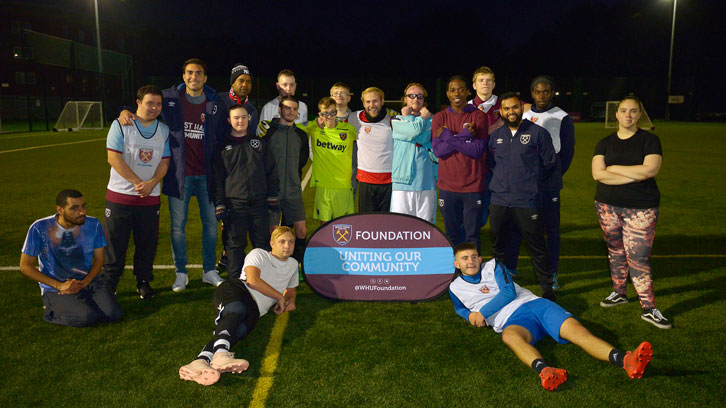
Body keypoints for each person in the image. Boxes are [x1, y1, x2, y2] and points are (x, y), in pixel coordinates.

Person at [448, 243, 654, 391]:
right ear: (457, 264)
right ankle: (546, 371)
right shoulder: (455, 288)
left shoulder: (493, 266)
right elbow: (460, 308)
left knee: (578, 332)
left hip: (536, 305)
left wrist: (482, 313)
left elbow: (508, 293)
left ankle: (626, 360)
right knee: (509, 337)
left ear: (480, 258)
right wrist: (469, 317)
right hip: (511, 322)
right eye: (465, 258)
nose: (471, 261)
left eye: (474, 256)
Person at [119, 58, 225, 292]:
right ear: (183, 75)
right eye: (189, 73)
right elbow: (144, 104)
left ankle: (209, 271)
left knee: (209, 225)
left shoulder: (215, 102)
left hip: (207, 176)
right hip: (180, 176)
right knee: (178, 226)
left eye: (198, 73)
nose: (193, 77)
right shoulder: (169, 98)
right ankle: (181, 273)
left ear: (205, 78)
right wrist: (124, 111)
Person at [179, 226, 299, 386]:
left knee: (238, 331)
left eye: (291, 242)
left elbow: (291, 291)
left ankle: (200, 361)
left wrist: (289, 301)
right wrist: (279, 297)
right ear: (272, 243)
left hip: (256, 310)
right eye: (282, 241)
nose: (287, 245)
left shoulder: (292, 265)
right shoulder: (259, 254)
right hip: (238, 290)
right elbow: (252, 280)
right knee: (237, 310)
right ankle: (221, 355)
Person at [591, 96, 670, 329]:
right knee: (615, 250)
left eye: (633, 111)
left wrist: (613, 169)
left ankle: (649, 308)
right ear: (616, 114)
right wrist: (633, 173)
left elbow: (650, 170)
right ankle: (619, 292)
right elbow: (598, 174)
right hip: (607, 205)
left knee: (638, 257)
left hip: (641, 208)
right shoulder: (604, 143)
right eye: (624, 111)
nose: (628, 115)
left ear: (639, 115)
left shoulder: (650, 141)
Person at [506, 76, 576, 289]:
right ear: (532, 94)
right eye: (538, 92)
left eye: (546, 91)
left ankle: (551, 272)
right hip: (524, 185)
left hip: (549, 183)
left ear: (552, 92)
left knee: (551, 229)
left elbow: (567, 151)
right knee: (518, 226)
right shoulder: (523, 115)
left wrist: (552, 174)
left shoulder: (562, 116)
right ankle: (510, 269)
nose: (542, 95)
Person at [103, 85, 171, 299]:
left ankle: (143, 282)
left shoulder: (164, 130)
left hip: (149, 199)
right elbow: (113, 158)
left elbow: (165, 161)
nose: (154, 108)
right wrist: (138, 182)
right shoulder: (121, 125)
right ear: (138, 103)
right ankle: (109, 283)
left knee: (147, 244)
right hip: (120, 196)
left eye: (158, 104)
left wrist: (151, 183)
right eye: (150, 103)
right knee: (115, 243)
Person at [487, 92, 557, 300]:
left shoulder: (538, 133)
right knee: (498, 247)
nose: (511, 112)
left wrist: (530, 182)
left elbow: (549, 163)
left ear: (522, 108)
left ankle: (547, 288)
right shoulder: (496, 136)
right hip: (499, 200)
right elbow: (491, 164)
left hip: (526, 201)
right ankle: (502, 285)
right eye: (506, 108)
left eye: (514, 107)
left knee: (537, 246)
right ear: (501, 111)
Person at [20, 190, 122, 327]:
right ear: (60, 210)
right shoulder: (40, 228)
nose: (82, 212)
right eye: (74, 208)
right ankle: (52, 309)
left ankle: (79, 302)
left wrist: (85, 282)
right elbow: (25, 266)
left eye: (83, 206)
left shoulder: (93, 224)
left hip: (88, 282)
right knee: (86, 317)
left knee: (114, 314)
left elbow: (99, 260)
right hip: (56, 287)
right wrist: (60, 285)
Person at [212, 105, 279, 280]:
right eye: (236, 118)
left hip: (259, 204)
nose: (240, 121)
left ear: (249, 119)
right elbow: (217, 179)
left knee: (261, 244)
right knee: (235, 245)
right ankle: (235, 283)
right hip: (235, 206)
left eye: (243, 117)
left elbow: (271, 171)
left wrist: (272, 196)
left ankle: (263, 281)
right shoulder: (222, 147)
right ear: (229, 121)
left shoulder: (259, 144)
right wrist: (219, 203)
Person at [431, 76, 488, 251]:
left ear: (468, 92)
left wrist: (447, 136)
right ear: (447, 93)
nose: (457, 93)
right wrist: (464, 136)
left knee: (472, 234)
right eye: (453, 90)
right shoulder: (440, 117)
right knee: (452, 233)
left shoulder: (478, 116)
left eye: (461, 89)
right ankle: (454, 271)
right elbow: (438, 152)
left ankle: (473, 273)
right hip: (448, 187)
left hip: (472, 186)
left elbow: (477, 150)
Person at [215, 63, 259, 273]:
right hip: (221, 164)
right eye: (241, 80)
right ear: (232, 82)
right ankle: (228, 258)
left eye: (248, 81)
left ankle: (228, 258)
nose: (245, 84)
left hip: (242, 172)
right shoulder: (219, 100)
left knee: (236, 222)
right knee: (226, 218)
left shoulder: (252, 109)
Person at [258, 95, 309, 262]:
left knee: (301, 230)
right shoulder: (269, 132)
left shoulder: (301, 135)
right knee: (274, 232)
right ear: (280, 109)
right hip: (273, 191)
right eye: (287, 108)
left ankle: (298, 265)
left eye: (295, 109)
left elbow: (302, 161)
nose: (291, 111)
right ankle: (273, 265)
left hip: (293, 191)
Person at [303, 97, 357, 223]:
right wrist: (314, 123)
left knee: (342, 225)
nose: (329, 117)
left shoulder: (348, 129)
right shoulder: (315, 128)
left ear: (336, 112)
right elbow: (296, 127)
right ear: (320, 114)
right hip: (323, 185)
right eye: (325, 114)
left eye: (332, 113)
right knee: (324, 225)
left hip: (342, 185)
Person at [390, 83, 438, 223]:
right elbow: (414, 132)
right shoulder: (397, 119)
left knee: (425, 229)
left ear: (424, 100)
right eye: (411, 96)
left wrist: (419, 124)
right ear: (405, 99)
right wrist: (418, 120)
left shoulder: (434, 120)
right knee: (400, 228)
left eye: (419, 96)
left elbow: (420, 137)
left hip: (427, 182)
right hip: (403, 183)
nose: (415, 99)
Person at [348, 87, 394, 213]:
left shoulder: (393, 120)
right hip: (365, 181)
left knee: (387, 225)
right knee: (366, 224)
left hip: (389, 182)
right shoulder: (354, 118)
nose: (372, 105)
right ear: (363, 103)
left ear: (382, 101)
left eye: (375, 101)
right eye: (368, 102)